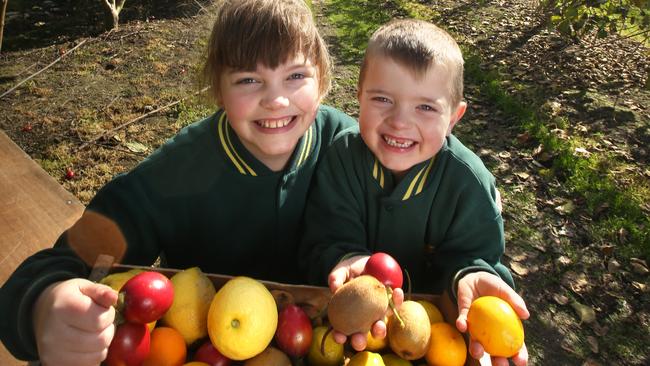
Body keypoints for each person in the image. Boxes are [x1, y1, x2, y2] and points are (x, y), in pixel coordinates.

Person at [0, 1, 358, 364]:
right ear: (218, 89)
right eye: (248, 80)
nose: (276, 100)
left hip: (336, 347)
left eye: (296, 76)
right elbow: (65, 264)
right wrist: (44, 305)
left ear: (323, 78)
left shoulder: (349, 148)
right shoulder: (180, 170)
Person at [299, 19, 529, 365]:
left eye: (426, 107)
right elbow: (325, 235)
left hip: (439, 341)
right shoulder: (342, 159)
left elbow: (477, 258)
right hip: (353, 336)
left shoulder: (468, 184)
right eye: (382, 99)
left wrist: (474, 275)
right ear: (358, 95)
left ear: (454, 117)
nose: (400, 122)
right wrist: (345, 259)